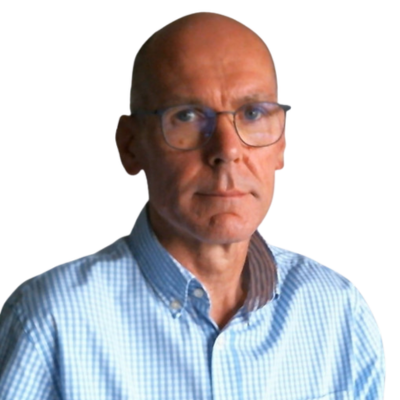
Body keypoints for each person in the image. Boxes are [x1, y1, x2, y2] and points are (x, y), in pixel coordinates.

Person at [0, 12, 384, 400]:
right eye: (187, 115)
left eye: (253, 114)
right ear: (131, 145)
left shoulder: (339, 315)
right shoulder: (50, 324)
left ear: (281, 144)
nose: (228, 150)